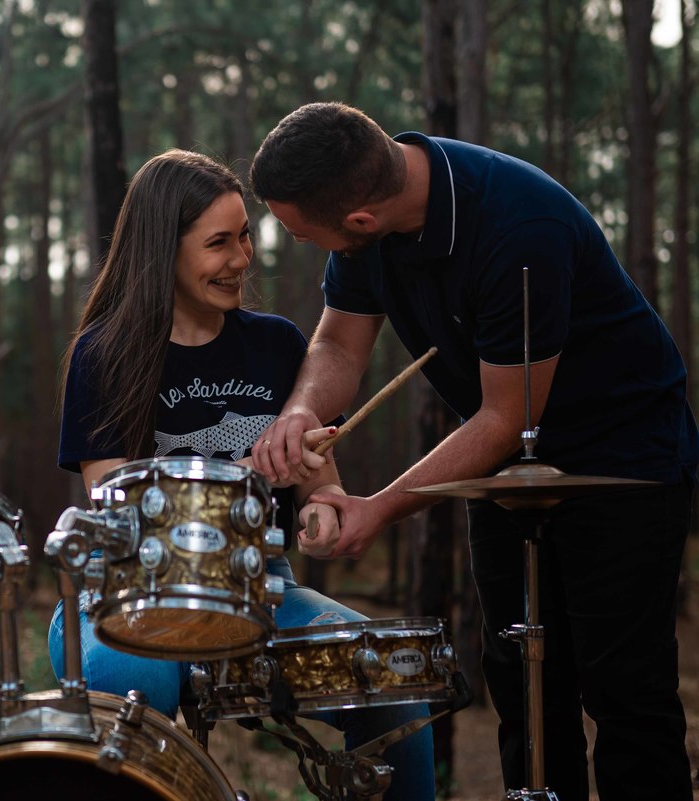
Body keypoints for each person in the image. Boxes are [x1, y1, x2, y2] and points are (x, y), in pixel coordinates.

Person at [249, 102, 698, 801]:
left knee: (625, 694)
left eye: (300, 233)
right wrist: (304, 407)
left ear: (359, 222)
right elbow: (338, 342)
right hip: (507, 466)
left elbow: (503, 414)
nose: (301, 245)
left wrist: (376, 509)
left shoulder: (520, 228)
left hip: (623, 454)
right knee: (523, 684)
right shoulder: (370, 219)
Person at [48, 149, 436, 800]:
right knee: (137, 684)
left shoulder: (280, 345)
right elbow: (113, 506)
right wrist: (233, 488)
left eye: (246, 235)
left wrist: (320, 516)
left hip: (263, 594)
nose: (241, 258)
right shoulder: (105, 354)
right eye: (218, 242)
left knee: (394, 680)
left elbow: (322, 492)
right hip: (131, 595)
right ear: (160, 251)